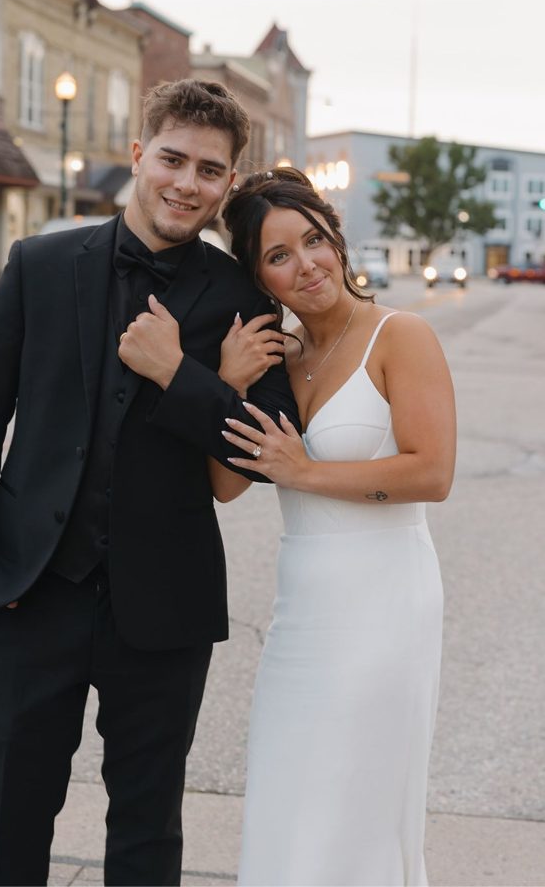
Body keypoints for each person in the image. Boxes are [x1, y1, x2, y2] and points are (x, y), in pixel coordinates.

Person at [0, 80, 299, 887]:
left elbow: (260, 454)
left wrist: (186, 378)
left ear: (227, 184)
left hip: (165, 605)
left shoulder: (243, 299)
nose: (186, 183)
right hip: (29, 592)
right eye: (172, 158)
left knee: (146, 825)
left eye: (209, 170)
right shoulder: (38, 263)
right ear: (138, 155)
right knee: (10, 821)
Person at [211, 168, 455, 886]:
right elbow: (226, 486)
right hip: (303, 609)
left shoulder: (398, 335)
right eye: (277, 255)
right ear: (261, 278)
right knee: (289, 795)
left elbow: (431, 473)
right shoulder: (277, 357)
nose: (306, 264)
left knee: (355, 798)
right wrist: (226, 385)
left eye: (312, 240)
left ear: (336, 240)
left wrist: (305, 472)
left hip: (384, 597)